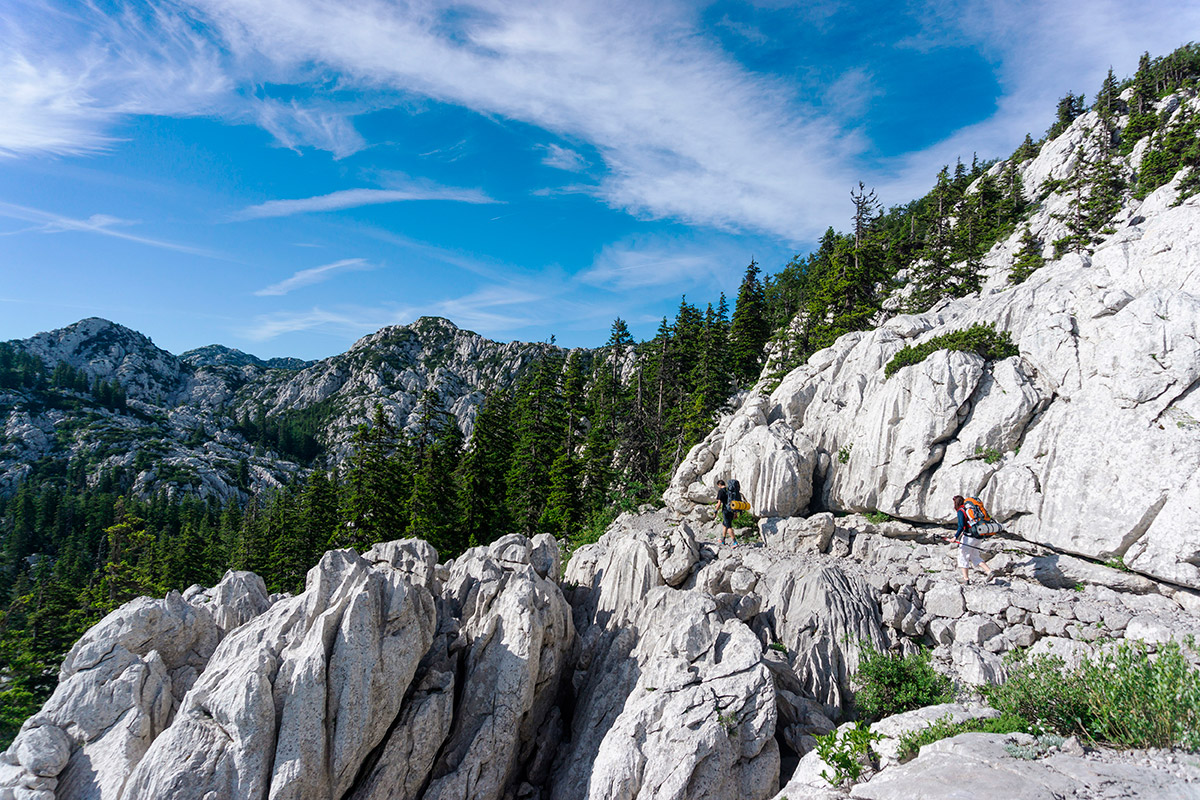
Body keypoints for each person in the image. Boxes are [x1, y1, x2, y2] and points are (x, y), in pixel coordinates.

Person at [952, 494, 995, 584]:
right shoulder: (971, 509)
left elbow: (961, 526)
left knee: (962, 555)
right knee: (974, 556)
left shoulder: (961, 511)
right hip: (978, 536)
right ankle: (989, 571)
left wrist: (955, 537)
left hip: (969, 537)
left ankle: (965, 579)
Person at [715, 479, 737, 546]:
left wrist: (715, 511)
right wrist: (735, 513)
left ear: (719, 485)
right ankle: (723, 540)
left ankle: (735, 542)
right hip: (732, 510)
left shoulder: (721, 491)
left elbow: (719, 503)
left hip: (725, 510)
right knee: (725, 525)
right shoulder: (730, 491)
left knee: (729, 526)